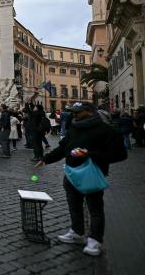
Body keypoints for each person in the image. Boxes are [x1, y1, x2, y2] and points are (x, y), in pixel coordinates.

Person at [36, 102, 127, 256]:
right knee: (74, 205)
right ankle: (77, 232)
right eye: (73, 112)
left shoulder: (105, 130)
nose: (74, 115)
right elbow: (63, 148)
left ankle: (95, 240)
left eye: (78, 112)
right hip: (71, 173)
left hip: (93, 173)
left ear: (89, 112)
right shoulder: (74, 127)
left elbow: (120, 154)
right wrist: (46, 159)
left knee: (95, 208)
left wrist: (89, 154)